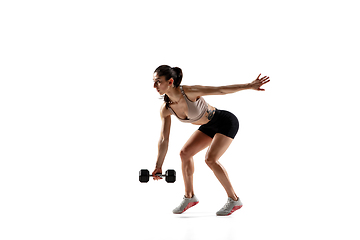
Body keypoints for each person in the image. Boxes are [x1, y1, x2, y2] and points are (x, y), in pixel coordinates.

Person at [152, 65, 270, 216]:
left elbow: (220, 90)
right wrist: (158, 166)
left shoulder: (189, 92)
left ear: (170, 82)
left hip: (225, 121)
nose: (154, 86)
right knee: (185, 153)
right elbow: (164, 139)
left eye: (158, 81)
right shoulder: (166, 108)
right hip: (208, 126)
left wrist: (249, 86)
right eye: (154, 82)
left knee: (210, 159)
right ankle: (189, 197)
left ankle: (234, 199)